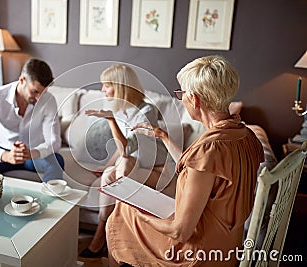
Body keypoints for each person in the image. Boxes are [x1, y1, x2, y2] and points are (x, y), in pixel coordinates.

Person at [105, 55, 265, 266]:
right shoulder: (244, 136)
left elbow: (179, 232)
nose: (181, 99)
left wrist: (141, 213)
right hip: (229, 244)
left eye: (182, 94)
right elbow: (199, 168)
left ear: (196, 100)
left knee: (120, 214)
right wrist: (164, 136)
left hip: (200, 252)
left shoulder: (209, 148)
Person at [79, 64, 173, 258]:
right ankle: (104, 233)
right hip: (135, 166)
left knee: (123, 170)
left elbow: (127, 150)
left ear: (120, 86)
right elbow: (124, 152)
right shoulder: (123, 109)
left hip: (159, 170)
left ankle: (107, 241)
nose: (102, 90)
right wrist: (106, 165)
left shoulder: (146, 110)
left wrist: (111, 121)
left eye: (107, 85)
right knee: (109, 174)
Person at [0, 58, 64, 182]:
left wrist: (33, 153)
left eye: (43, 92)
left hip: (33, 155)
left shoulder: (49, 100)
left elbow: (54, 141)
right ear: (22, 80)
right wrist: (6, 156)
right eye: (35, 91)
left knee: (57, 161)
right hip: (3, 153)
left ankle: (47, 200)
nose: (39, 98)